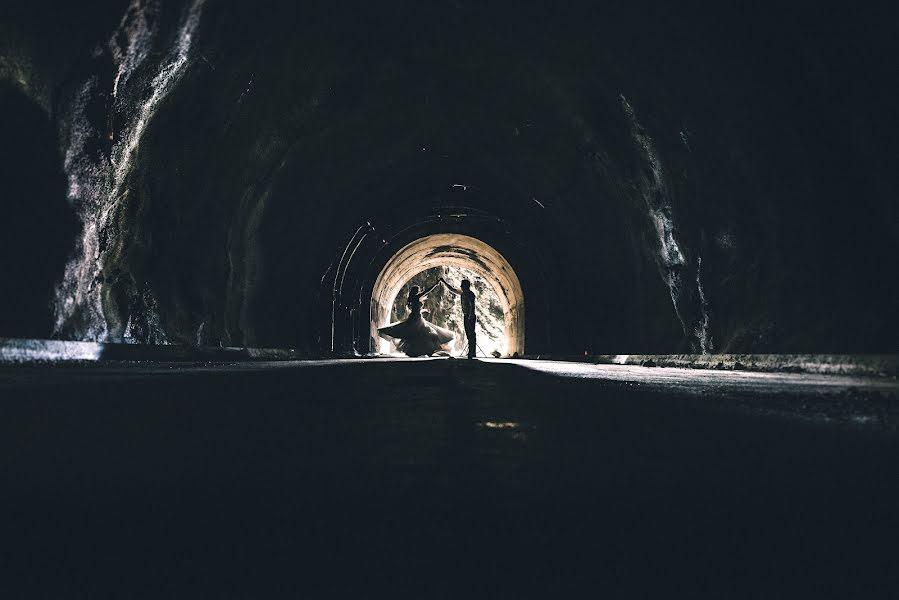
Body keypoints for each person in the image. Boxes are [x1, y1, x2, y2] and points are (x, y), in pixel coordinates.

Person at [377, 281, 455, 357]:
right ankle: (428, 351)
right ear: (415, 291)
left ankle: (419, 351)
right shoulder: (416, 297)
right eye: (418, 290)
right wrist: (435, 284)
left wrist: (422, 311)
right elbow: (427, 291)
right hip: (417, 318)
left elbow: (415, 308)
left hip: (415, 317)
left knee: (418, 335)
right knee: (425, 334)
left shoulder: (411, 299)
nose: (419, 291)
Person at [441, 277, 476, 358]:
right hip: (466, 315)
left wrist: (471, 315)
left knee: (471, 334)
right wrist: (444, 282)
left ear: (466, 286)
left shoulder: (470, 294)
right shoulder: (463, 293)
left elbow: (472, 305)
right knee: (468, 334)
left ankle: (472, 352)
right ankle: (471, 351)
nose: (461, 287)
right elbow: (452, 290)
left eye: (462, 285)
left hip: (470, 315)